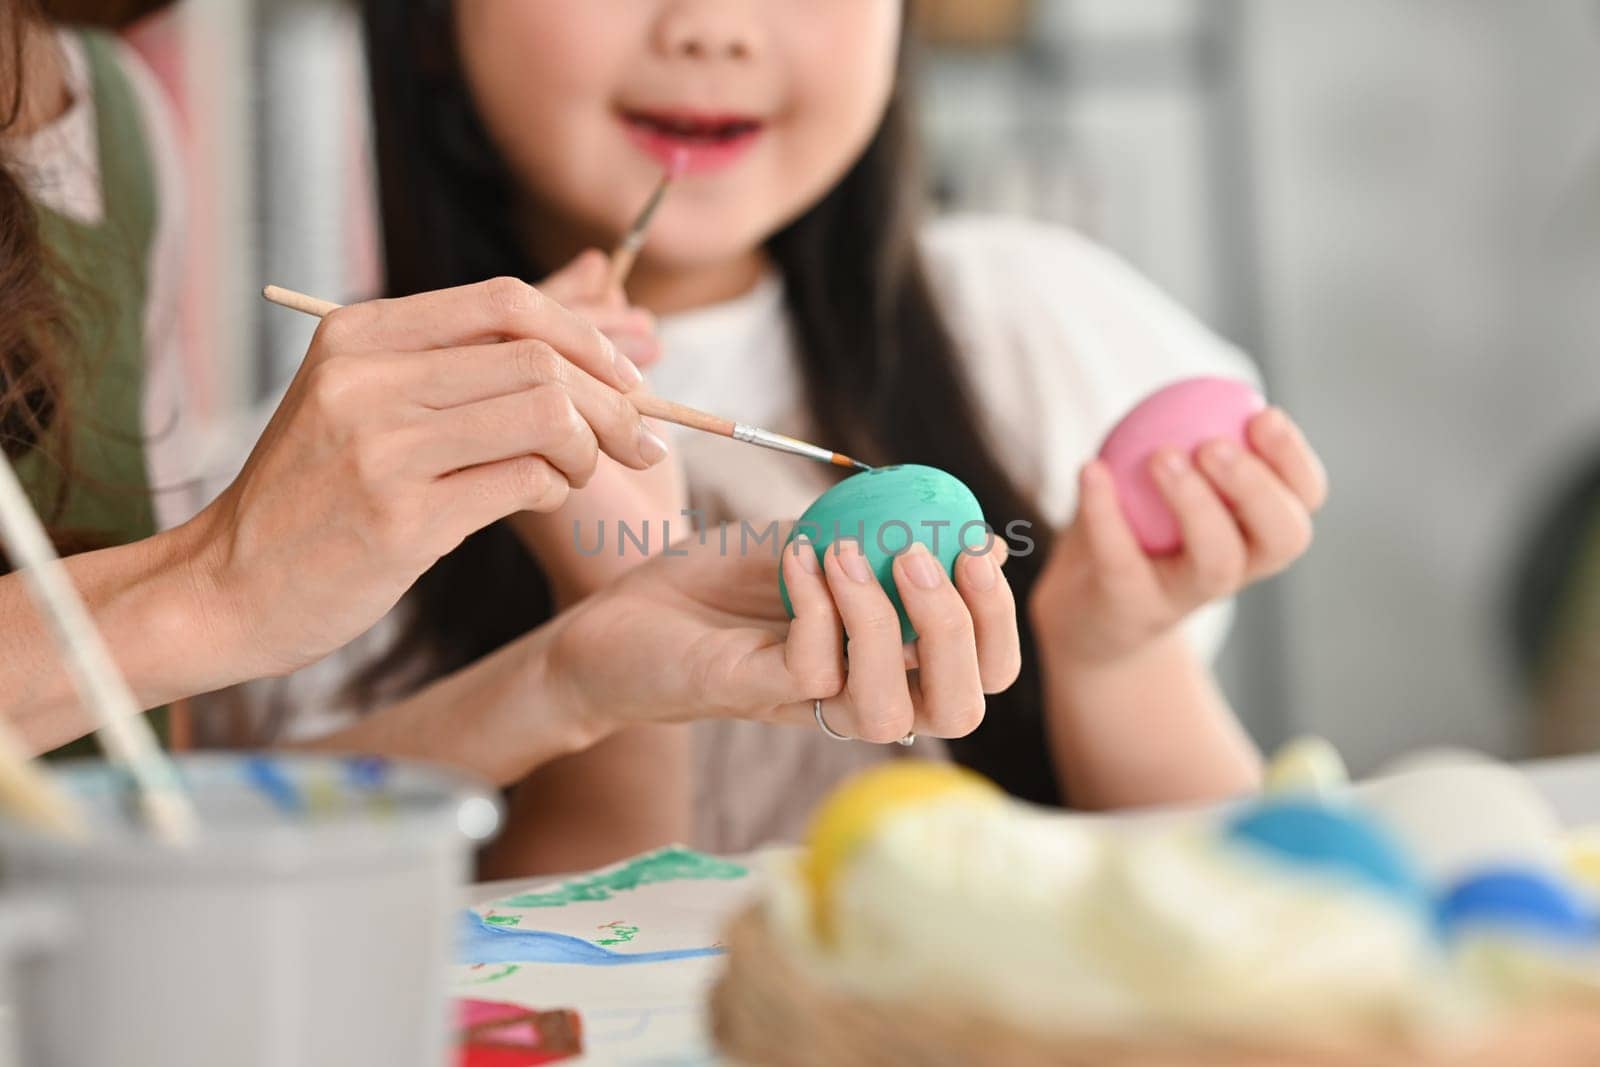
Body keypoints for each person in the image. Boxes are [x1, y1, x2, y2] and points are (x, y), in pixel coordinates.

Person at [345, 0, 1330, 871]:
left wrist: (1115, 657)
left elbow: (1231, 915)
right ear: (430, 16)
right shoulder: (342, 477)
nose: (713, 24)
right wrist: (600, 615)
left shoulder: (1029, 331)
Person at [0, 1, 1020, 781]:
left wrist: (576, 674)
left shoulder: (109, 118)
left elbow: (140, 827)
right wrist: (211, 583)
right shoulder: (314, 496)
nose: (711, 28)